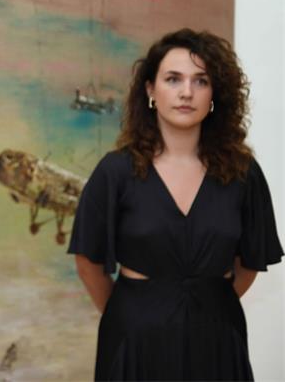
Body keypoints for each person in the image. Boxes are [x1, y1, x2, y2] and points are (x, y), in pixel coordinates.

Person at [68, 28, 283, 380]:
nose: (186, 92)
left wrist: (209, 302)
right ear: (150, 90)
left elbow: (250, 263)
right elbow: (88, 262)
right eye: (173, 79)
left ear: (215, 94)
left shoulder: (243, 173)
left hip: (218, 338)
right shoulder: (115, 171)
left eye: (201, 81)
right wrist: (135, 311)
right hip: (134, 338)